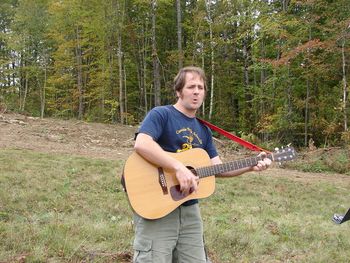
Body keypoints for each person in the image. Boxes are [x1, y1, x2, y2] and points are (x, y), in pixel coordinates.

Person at [132, 66, 271, 263]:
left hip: (189, 210)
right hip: (158, 207)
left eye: (201, 87)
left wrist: (251, 165)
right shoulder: (161, 114)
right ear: (179, 91)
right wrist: (178, 168)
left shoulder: (203, 130)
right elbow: (142, 143)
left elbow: (218, 167)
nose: (196, 91)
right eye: (191, 87)